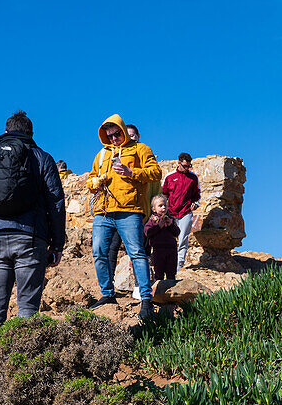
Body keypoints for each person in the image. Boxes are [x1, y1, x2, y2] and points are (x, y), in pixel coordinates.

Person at [0, 109, 66, 324]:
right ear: (31, 134)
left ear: (6, 131)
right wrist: (57, 244)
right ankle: (22, 356)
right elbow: (56, 204)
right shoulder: (42, 158)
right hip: (31, 237)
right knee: (27, 307)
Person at [86, 114, 162, 319]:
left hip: (130, 210)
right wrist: (94, 183)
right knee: (98, 251)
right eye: (109, 135)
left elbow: (156, 173)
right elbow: (91, 177)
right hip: (103, 210)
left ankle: (146, 299)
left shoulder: (140, 149)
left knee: (136, 253)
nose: (113, 138)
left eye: (116, 133)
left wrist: (131, 172)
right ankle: (107, 294)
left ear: (122, 130)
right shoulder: (102, 154)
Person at [161, 152, 201, 270]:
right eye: (185, 166)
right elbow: (163, 195)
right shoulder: (169, 177)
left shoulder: (193, 178)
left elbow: (197, 195)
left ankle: (179, 265)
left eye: (189, 166)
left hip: (186, 212)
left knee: (183, 238)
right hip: (171, 213)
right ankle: (167, 263)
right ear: (179, 163)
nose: (187, 168)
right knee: (168, 239)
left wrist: (196, 204)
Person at [145, 195, 180, 281]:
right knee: (159, 272)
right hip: (158, 250)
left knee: (171, 272)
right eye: (160, 206)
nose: (163, 208)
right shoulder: (153, 220)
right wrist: (158, 226)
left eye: (165, 205)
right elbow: (148, 232)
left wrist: (170, 225)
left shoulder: (171, 219)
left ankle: (171, 289)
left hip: (171, 249)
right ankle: (158, 291)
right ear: (154, 209)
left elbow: (177, 232)